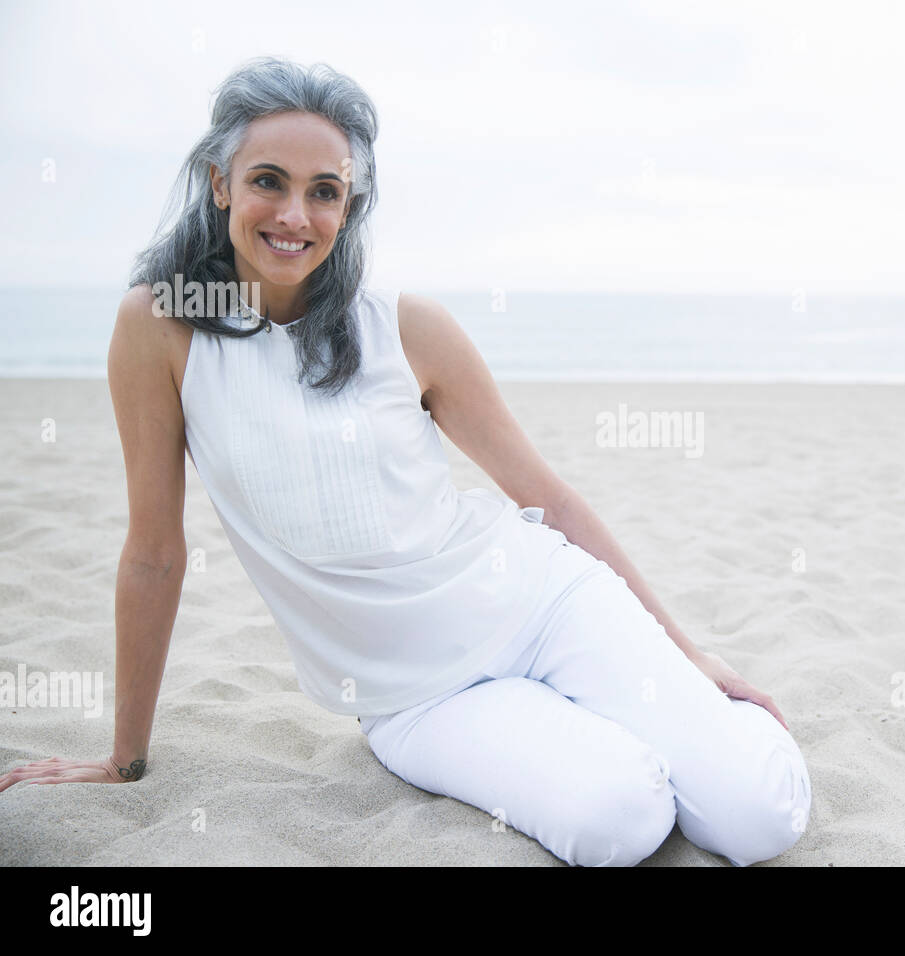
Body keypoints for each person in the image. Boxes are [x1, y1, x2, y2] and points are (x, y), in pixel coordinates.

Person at [0, 56, 811, 866]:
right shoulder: (160, 327)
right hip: (413, 697)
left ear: (350, 206)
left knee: (758, 817)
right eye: (269, 182)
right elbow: (154, 552)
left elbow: (548, 501)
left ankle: (689, 731)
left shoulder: (405, 327)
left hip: (547, 608)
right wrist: (124, 758)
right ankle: (591, 732)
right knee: (621, 820)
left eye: (325, 191)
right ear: (220, 185)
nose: (295, 214)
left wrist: (686, 651)